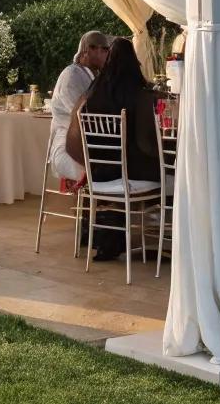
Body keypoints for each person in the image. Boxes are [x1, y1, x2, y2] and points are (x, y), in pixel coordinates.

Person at [65, 37, 160, 260]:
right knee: (172, 170)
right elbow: (148, 143)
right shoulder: (140, 94)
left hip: (99, 172)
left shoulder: (93, 92)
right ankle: (170, 237)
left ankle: (98, 236)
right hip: (127, 174)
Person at [47, 31, 111, 182]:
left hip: (94, 144)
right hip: (67, 146)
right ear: (87, 50)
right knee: (101, 173)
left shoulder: (97, 75)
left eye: (106, 50)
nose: (104, 54)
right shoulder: (71, 75)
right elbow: (84, 116)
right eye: (104, 50)